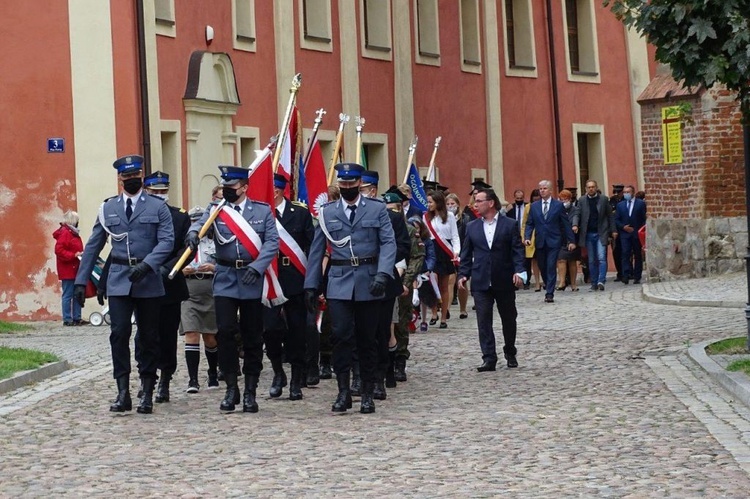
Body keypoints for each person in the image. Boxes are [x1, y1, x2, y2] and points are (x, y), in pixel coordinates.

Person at [74, 154, 175, 414]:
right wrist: (81, 280)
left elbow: (166, 241)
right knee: (119, 334)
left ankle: (148, 391)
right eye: (127, 177)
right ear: (120, 179)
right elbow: (94, 245)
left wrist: (148, 264)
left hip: (148, 277)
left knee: (149, 336)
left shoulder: (157, 206)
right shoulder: (108, 208)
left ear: (142, 176)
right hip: (119, 276)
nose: (132, 180)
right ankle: (122, 392)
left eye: (135, 176)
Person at [303, 162, 396, 414]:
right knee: (341, 336)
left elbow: (388, 243)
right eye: (342, 184)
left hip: (369, 279)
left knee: (368, 338)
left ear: (359, 184)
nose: (346, 187)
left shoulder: (376, 210)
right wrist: (311, 284)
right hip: (340, 280)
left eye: (351, 184)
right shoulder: (328, 212)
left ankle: (367, 391)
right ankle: (343, 391)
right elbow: (317, 250)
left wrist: (383, 274)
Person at [185, 165, 280, 413]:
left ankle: (250, 389)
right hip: (226, 277)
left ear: (244, 187)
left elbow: (272, 242)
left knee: (252, 335)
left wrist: (258, 267)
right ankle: (231, 387)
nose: (227, 191)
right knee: (225, 332)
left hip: (251, 277)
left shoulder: (261, 211)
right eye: (224, 187)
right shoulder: (217, 210)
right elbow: (200, 225)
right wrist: (193, 235)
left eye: (231, 187)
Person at [458, 188, 526, 371]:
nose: (475, 204)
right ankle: (489, 357)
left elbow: (517, 251)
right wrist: (463, 274)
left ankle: (510, 351)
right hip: (480, 280)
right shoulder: (472, 226)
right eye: (475, 201)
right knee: (483, 319)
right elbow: (466, 253)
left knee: (509, 318)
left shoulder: (509, 224)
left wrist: (520, 272)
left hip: (503, 278)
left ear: (490, 203)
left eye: (479, 201)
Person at [263, 173, 315, 400]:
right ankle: (277, 371)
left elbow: (312, 248)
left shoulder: (300, 213)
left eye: (273, 188)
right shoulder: (261, 214)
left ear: (280, 190)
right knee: (270, 329)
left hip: (295, 277)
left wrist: (313, 282)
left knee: (297, 330)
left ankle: (296, 379)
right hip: (269, 278)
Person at [359, 174, 411, 400]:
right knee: (355, 330)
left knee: (381, 331)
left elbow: (402, 247)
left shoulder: (393, 217)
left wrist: (381, 262)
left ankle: (380, 376)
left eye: (363, 188)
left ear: (372, 191)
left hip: (384, 280)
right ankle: (358, 375)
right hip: (355, 279)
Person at [141, 171, 191, 404]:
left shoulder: (179, 217)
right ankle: (146, 379)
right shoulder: (139, 214)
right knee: (143, 336)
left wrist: (170, 268)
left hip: (170, 283)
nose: (160, 195)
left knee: (167, 335)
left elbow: (185, 251)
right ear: (146, 191)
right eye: (155, 192)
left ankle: (165, 380)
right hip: (143, 282)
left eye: (163, 191)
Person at [180, 206, 219, 393]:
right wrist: (181, 270)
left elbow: (225, 261)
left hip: (210, 288)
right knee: (191, 333)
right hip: (189, 289)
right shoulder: (185, 243)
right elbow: (174, 261)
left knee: (210, 337)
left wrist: (213, 267)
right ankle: (193, 379)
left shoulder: (216, 242)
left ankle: (212, 373)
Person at [524, 180, 576, 303]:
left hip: (554, 240)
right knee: (542, 266)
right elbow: (530, 223)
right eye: (540, 189)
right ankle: (549, 284)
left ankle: (549, 293)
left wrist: (571, 240)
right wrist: (527, 237)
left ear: (550, 190)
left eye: (545, 188)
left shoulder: (558, 205)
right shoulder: (534, 206)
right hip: (540, 240)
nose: (542, 191)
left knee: (551, 265)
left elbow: (565, 224)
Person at [423, 190, 460, 329]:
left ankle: (444, 317)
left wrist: (456, 252)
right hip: (432, 252)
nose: (428, 204)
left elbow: (455, 236)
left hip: (445, 252)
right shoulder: (425, 217)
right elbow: (425, 237)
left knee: (444, 286)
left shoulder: (449, 216)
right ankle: (434, 313)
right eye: (428, 202)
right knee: (432, 284)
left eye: (430, 202)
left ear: (438, 202)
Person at [571, 180, 616, 292]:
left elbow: (610, 216)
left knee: (601, 257)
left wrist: (613, 230)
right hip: (588, 233)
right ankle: (594, 282)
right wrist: (575, 224)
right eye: (589, 187)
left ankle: (601, 281)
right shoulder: (582, 200)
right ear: (586, 189)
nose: (591, 189)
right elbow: (577, 213)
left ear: (596, 188)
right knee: (591, 260)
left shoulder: (603, 199)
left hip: (601, 232)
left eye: (593, 187)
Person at [53, 210, 84, 326]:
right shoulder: (66, 233)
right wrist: (73, 255)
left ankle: (76, 317)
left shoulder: (71, 232)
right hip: (68, 268)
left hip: (75, 267)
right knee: (68, 294)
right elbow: (59, 250)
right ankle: (67, 319)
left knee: (77, 293)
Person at [615, 185, 647, 285]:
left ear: (633, 192)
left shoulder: (640, 204)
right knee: (625, 254)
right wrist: (623, 227)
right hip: (625, 233)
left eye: (628, 192)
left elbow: (643, 218)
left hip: (636, 232)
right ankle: (626, 274)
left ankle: (637, 276)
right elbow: (616, 219)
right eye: (624, 192)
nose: (626, 194)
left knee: (637, 255)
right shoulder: (620, 205)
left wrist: (641, 230)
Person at [555, 189, 581, 292]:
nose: (563, 201)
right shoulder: (557, 209)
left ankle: (573, 284)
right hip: (560, 238)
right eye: (561, 199)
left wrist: (575, 225)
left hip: (572, 237)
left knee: (572, 261)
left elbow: (576, 218)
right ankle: (562, 282)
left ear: (570, 199)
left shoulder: (575, 209)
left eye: (565, 199)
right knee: (561, 259)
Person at [522, 189, 542, 291]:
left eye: (538, 196)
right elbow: (524, 223)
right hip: (532, 237)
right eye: (534, 196)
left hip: (543, 235)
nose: (536, 198)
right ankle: (537, 282)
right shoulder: (528, 207)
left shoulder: (545, 205)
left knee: (544, 260)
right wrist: (524, 237)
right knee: (534, 260)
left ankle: (546, 281)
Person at [610, 184, 625, 281]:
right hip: (614, 230)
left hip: (624, 229)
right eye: (616, 192)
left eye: (619, 192)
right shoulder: (612, 200)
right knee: (616, 252)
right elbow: (610, 215)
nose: (617, 194)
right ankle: (620, 272)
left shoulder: (625, 200)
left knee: (626, 252)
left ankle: (627, 272)